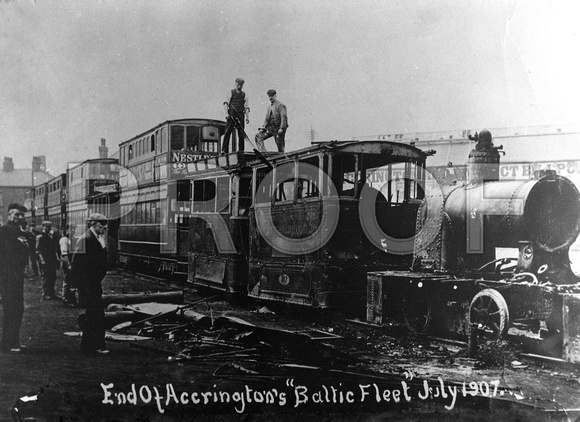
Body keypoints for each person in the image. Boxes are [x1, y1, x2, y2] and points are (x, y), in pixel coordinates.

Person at [70, 213, 109, 355]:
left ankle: (94, 345)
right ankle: (91, 347)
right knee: (94, 315)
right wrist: (79, 285)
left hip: (93, 283)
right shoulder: (86, 239)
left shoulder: (96, 238)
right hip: (88, 284)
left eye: (105, 224)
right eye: (101, 224)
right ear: (92, 224)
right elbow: (76, 264)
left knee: (96, 314)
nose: (104, 227)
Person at [0, 204, 30, 353]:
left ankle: (13, 341)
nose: (20, 217)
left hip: (16, 275)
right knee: (13, 308)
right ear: (10, 214)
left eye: (22, 215)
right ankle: (10, 343)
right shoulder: (5, 230)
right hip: (9, 275)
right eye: (17, 214)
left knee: (17, 309)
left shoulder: (18, 231)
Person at [221, 78, 250, 154]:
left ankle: (241, 151)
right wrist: (226, 114)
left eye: (241, 85)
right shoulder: (231, 92)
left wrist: (247, 117)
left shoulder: (245, 95)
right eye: (238, 84)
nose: (239, 86)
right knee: (227, 132)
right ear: (235, 84)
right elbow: (226, 104)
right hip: (231, 114)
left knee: (241, 133)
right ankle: (224, 150)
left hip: (240, 115)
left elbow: (246, 107)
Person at [255, 89, 288, 153]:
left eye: (272, 96)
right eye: (269, 96)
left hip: (278, 128)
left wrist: (281, 128)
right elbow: (267, 119)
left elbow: (283, 117)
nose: (271, 97)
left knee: (280, 145)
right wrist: (263, 127)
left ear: (275, 96)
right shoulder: (269, 107)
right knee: (258, 136)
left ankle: (282, 157)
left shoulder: (280, 105)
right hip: (270, 128)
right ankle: (263, 153)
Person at [36, 221, 59, 300]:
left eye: (49, 227)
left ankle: (51, 293)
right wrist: (42, 260)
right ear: (43, 227)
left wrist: (56, 258)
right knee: (46, 277)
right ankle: (45, 294)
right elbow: (38, 250)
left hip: (51, 260)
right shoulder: (40, 237)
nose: (48, 228)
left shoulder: (50, 236)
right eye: (46, 227)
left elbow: (53, 249)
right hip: (45, 260)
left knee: (53, 276)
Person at [59, 229, 77, 307]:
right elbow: (64, 253)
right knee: (67, 280)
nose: (73, 231)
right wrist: (69, 265)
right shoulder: (64, 240)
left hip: (69, 262)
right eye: (71, 230)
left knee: (70, 280)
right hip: (67, 262)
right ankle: (66, 299)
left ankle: (70, 298)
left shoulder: (70, 239)